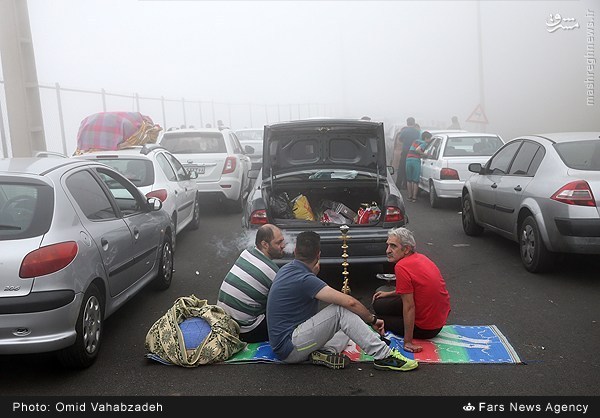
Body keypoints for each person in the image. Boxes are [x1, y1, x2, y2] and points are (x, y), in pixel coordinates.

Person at [266, 231, 418, 371]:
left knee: (349, 323)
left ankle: (324, 353)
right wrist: (373, 319)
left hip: (287, 342)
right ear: (318, 255)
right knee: (342, 310)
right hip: (290, 349)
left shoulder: (287, 269)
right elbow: (349, 302)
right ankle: (384, 356)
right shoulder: (306, 280)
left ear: (295, 252)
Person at [372, 227, 451, 353]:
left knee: (376, 318)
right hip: (437, 322)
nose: (388, 250)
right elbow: (416, 289)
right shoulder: (421, 258)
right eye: (388, 245)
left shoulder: (401, 267)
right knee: (379, 302)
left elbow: (409, 307)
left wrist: (408, 342)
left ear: (406, 249)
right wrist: (389, 294)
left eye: (393, 246)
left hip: (426, 329)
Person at [217, 224, 286, 343]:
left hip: (222, 322)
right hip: (243, 331)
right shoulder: (272, 272)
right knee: (287, 318)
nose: (283, 246)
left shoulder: (247, 253)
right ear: (265, 244)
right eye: (278, 243)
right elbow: (283, 305)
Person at [391, 117, 421, 190]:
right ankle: (406, 184)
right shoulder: (417, 132)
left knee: (401, 168)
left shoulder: (404, 131)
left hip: (405, 151)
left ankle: (398, 184)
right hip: (414, 151)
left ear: (407, 123)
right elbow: (418, 140)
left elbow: (400, 139)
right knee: (411, 169)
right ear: (414, 123)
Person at [405, 130, 433, 202]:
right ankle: (414, 197)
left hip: (408, 159)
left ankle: (409, 196)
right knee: (415, 180)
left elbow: (414, 148)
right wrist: (425, 154)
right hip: (415, 160)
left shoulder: (415, 141)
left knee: (409, 179)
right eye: (429, 139)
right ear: (426, 138)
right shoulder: (424, 143)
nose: (429, 140)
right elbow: (418, 150)